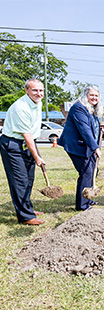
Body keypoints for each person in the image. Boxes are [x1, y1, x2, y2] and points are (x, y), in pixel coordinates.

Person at [0, 79, 46, 225]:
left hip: (28, 142)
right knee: (20, 181)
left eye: (41, 90)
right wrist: (37, 157)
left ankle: (28, 208)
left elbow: (32, 133)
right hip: (13, 145)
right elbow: (26, 135)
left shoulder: (37, 103)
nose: (38, 94)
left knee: (29, 179)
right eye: (34, 90)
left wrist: (35, 152)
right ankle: (25, 217)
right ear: (26, 90)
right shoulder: (21, 107)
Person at [58, 84, 103, 211]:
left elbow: (93, 129)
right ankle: (82, 205)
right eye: (91, 95)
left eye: (96, 95)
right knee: (86, 172)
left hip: (87, 146)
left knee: (94, 170)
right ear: (85, 96)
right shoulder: (79, 108)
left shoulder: (92, 110)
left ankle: (88, 198)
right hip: (76, 145)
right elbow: (84, 130)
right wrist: (95, 147)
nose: (94, 98)